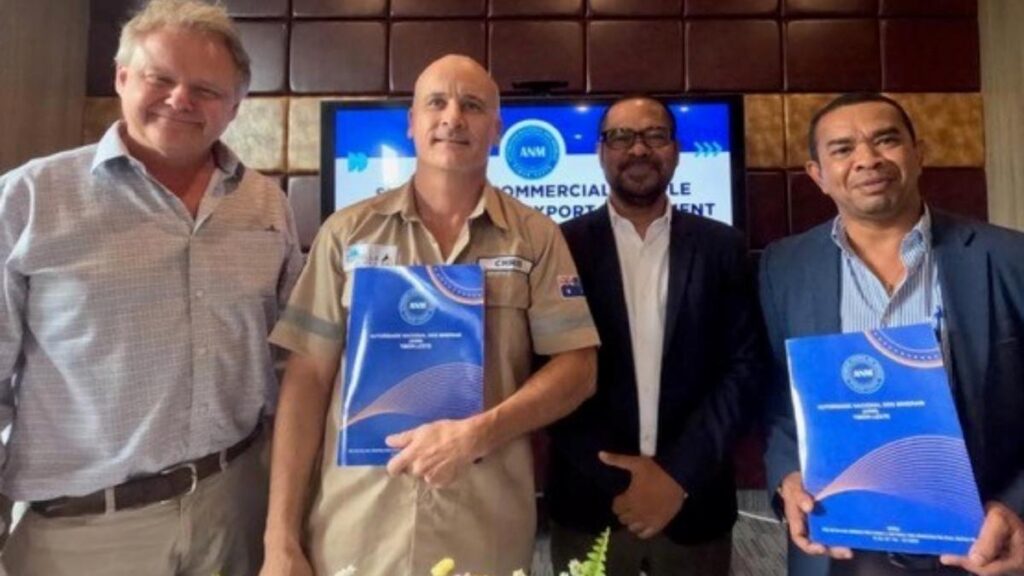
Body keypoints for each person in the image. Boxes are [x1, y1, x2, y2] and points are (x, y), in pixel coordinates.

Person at [259, 54, 600, 576]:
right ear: (412, 123)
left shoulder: (535, 237)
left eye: (473, 106)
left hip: (483, 525)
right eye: (436, 103)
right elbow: (306, 379)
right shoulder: (346, 234)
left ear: (496, 130)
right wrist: (279, 537)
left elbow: (578, 370)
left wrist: (478, 434)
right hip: (356, 523)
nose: (452, 118)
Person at [0, 0, 304, 574]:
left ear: (234, 106)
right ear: (122, 78)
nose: (180, 99)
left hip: (234, 511)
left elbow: (291, 362)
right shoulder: (28, 201)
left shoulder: (265, 205)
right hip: (84, 535)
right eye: (160, 78)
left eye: (205, 89)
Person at [761, 92, 1024, 576]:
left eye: (886, 140)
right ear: (818, 174)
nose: (867, 159)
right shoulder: (783, 267)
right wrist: (786, 477)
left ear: (918, 154)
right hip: (839, 544)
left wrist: (1018, 506)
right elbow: (779, 397)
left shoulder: (1009, 258)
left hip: (982, 544)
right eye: (843, 149)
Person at [547, 96, 764, 575]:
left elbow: (744, 368)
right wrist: (626, 483)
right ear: (600, 152)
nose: (639, 149)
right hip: (590, 502)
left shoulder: (722, 246)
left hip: (696, 500)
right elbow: (545, 371)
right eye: (621, 137)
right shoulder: (559, 245)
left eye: (655, 135)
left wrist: (675, 477)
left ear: (677, 150)